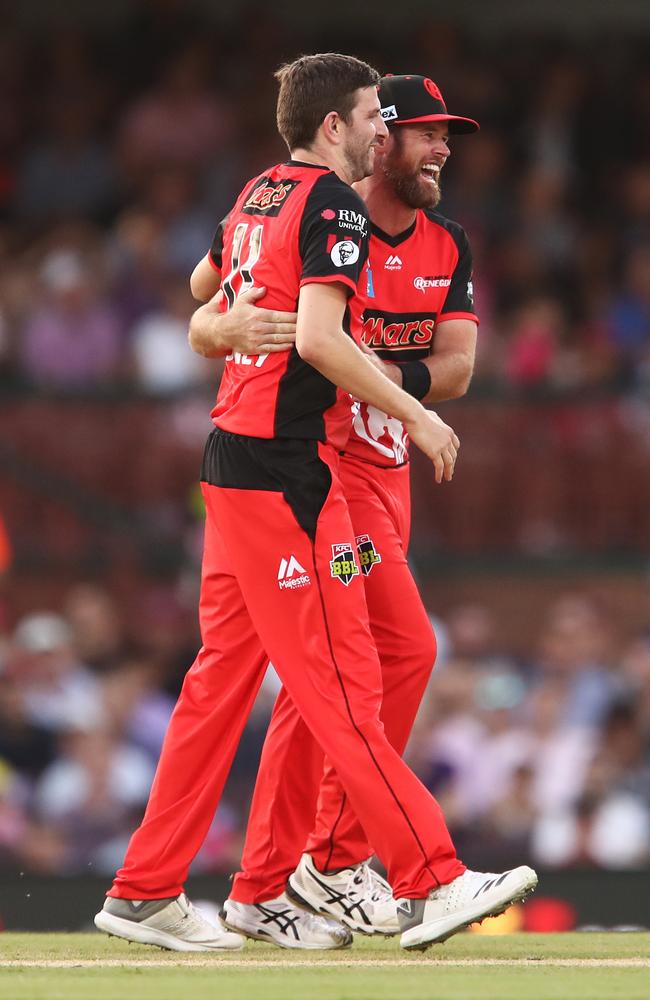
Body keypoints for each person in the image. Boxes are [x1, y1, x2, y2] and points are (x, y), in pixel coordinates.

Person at [94, 54, 534, 954]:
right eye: (391, 120)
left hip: (245, 461)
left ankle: (156, 888)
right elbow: (253, 323)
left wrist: (239, 326)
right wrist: (411, 411)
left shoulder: (264, 189)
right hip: (297, 474)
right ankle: (419, 875)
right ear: (344, 128)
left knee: (227, 679)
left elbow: (211, 291)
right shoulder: (332, 204)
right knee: (344, 677)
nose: (407, 138)